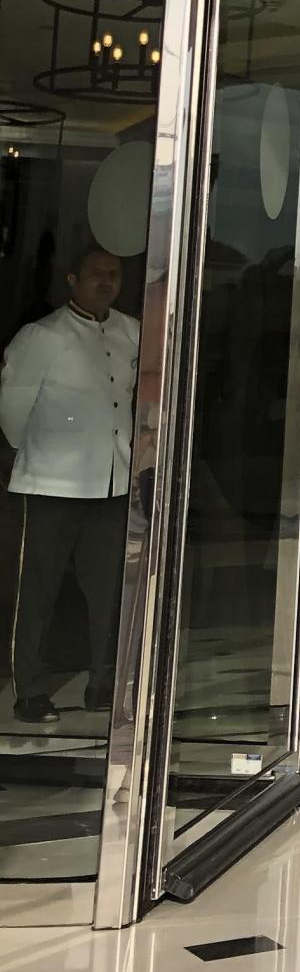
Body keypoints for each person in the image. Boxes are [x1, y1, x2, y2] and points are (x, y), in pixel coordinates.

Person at [1, 245, 136, 724]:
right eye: (96, 273)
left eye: (113, 274)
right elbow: (12, 411)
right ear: (73, 280)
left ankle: (104, 682)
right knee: (37, 593)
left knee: (108, 592)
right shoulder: (42, 336)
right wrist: (39, 454)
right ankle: (30, 691)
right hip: (51, 485)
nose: (106, 281)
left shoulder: (130, 331)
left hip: (111, 485)